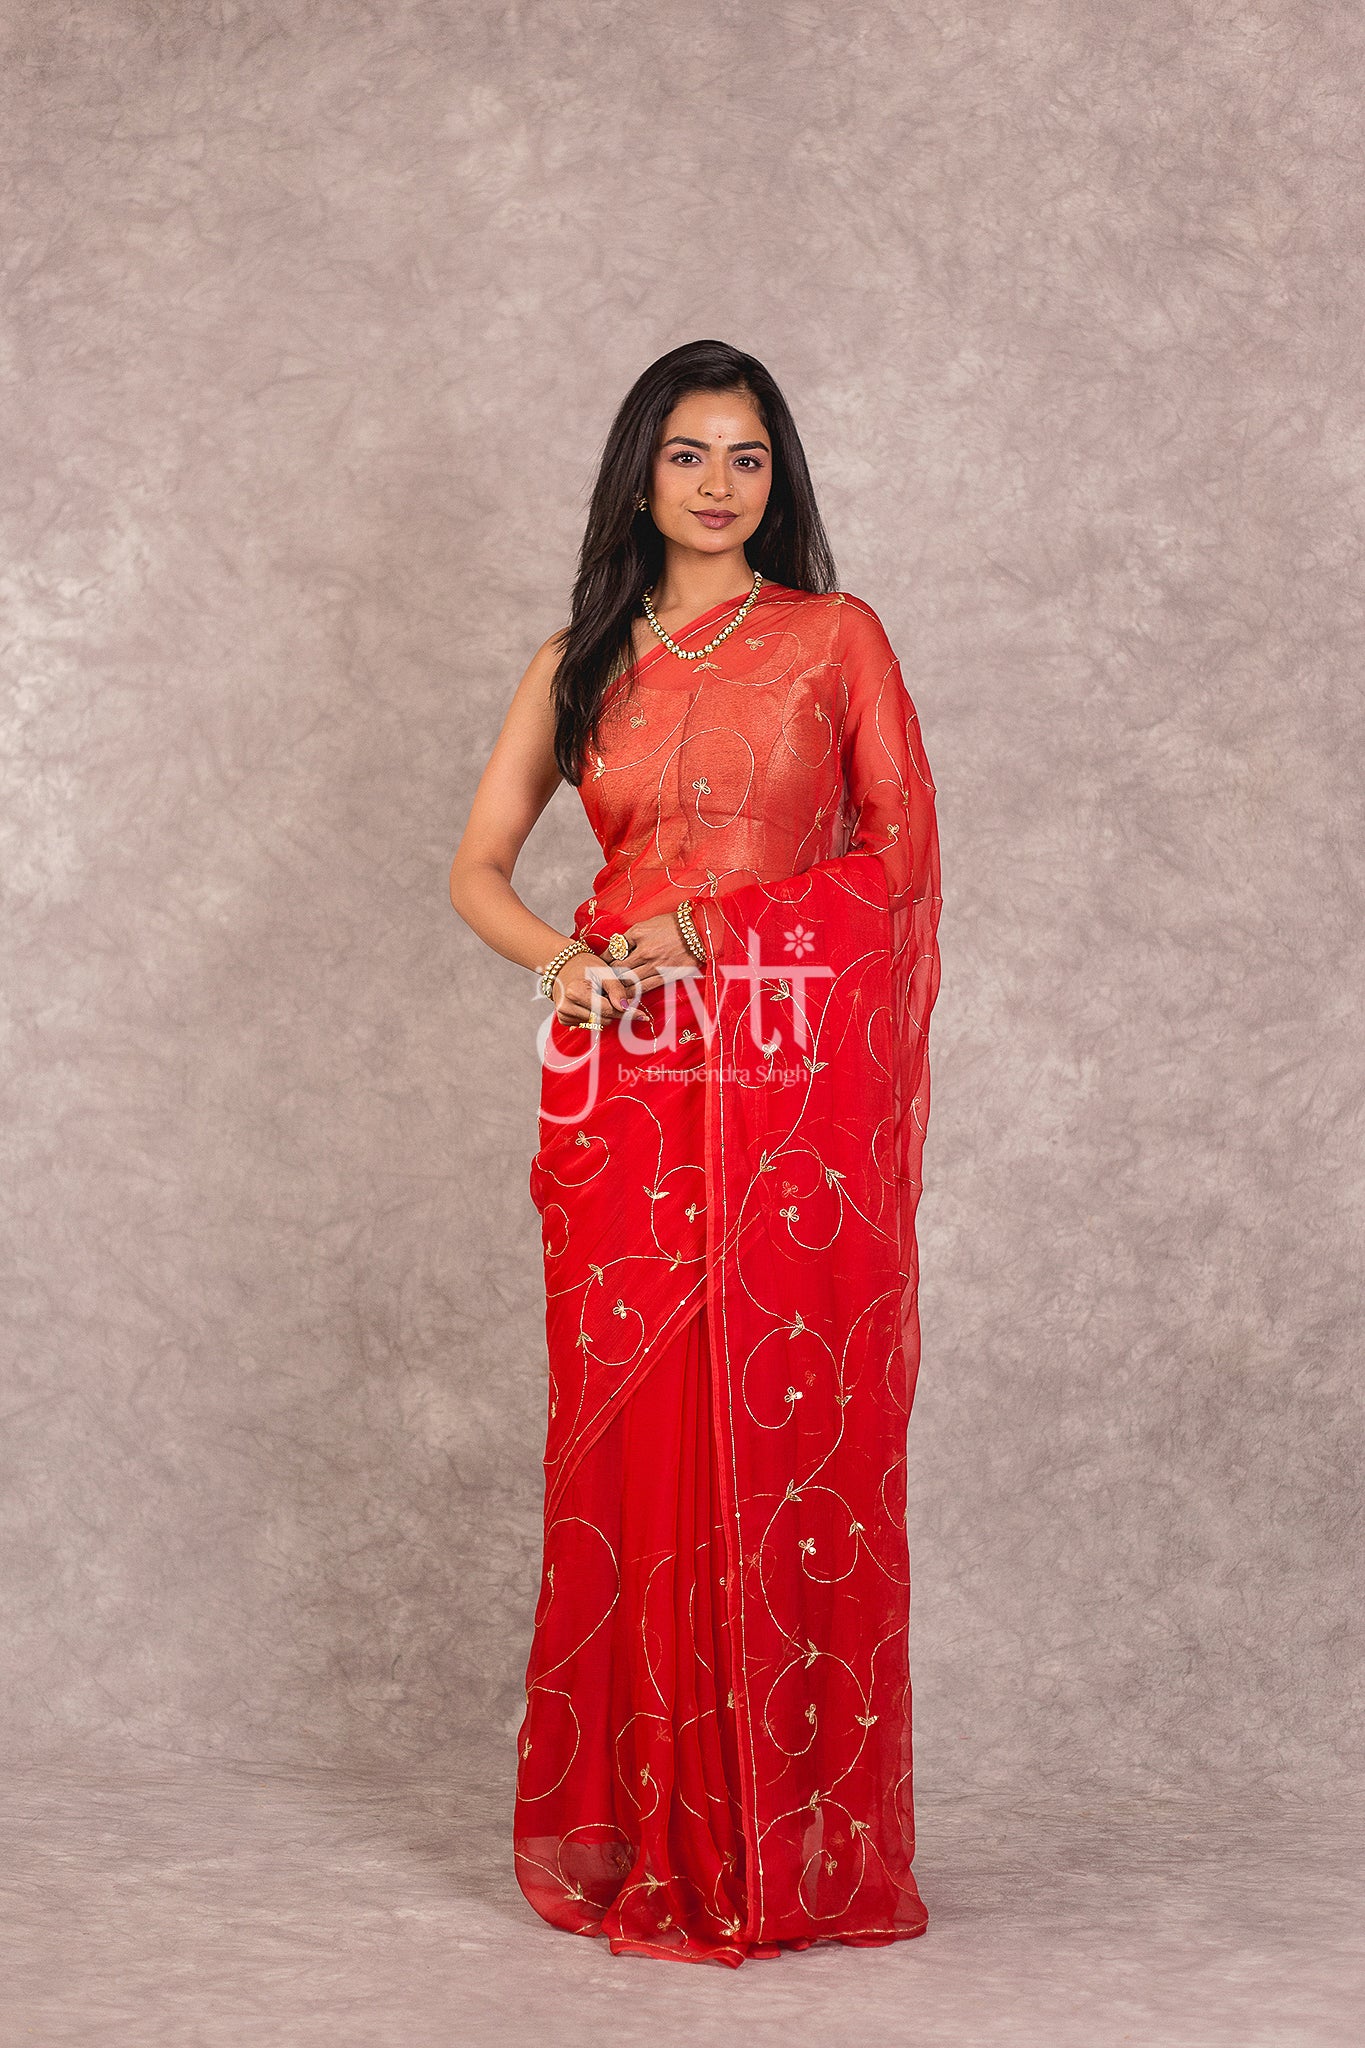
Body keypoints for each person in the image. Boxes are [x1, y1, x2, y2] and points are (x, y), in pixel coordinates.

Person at [448, 338, 943, 1967]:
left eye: (746, 455)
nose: (719, 483)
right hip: (627, 1086)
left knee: (779, 1421)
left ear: (775, 478)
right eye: (687, 453)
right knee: (637, 1440)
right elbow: (479, 869)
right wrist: (564, 962)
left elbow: (897, 862)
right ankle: (653, 1827)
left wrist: (719, 928)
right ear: (640, 474)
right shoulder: (578, 660)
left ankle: (775, 1835)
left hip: (788, 1089)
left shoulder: (832, 638)